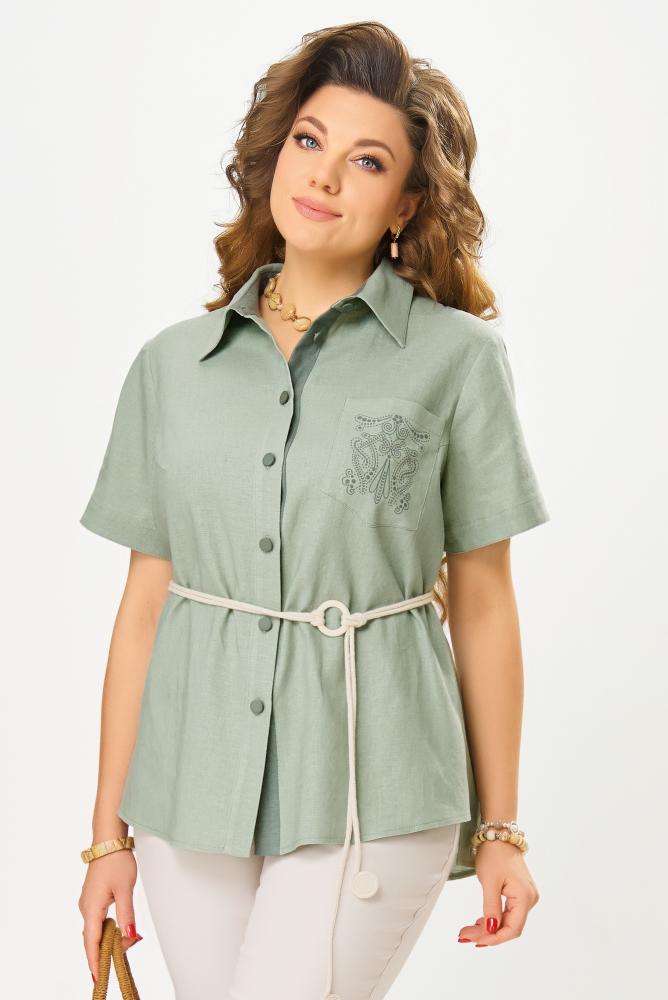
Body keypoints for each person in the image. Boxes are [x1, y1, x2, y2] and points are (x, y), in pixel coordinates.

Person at [78, 21, 548, 1000]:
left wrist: (500, 827)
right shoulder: (171, 367)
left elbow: (483, 601)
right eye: (308, 140)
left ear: (405, 203)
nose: (324, 176)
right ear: (276, 152)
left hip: (376, 782)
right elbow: (143, 609)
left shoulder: (457, 361)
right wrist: (105, 837)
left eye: (366, 161)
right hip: (187, 785)